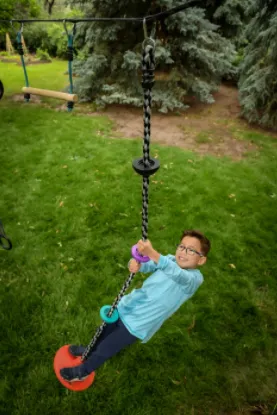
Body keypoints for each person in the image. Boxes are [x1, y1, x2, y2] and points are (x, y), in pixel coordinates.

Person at [60, 229, 211, 382]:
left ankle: (83, 371)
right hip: (127, 305)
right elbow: (151, 264)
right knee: (103, 332)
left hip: (139, 323)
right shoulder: (171, 259)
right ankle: (89, 350)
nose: (183, 252)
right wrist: (137, 264)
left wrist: (153, 253)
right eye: (181, 246)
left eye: (191, 250)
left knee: (107, 347)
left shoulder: (193, 279)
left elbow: (176, 274)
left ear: (201, 260)